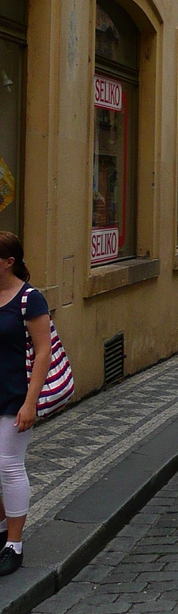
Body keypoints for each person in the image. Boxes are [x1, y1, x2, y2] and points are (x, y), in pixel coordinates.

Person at [0, 231, 53, 577]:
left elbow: (44, 350)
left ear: (9, 262)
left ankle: (14, 545)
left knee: (9, 466)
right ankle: (1, 529)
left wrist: (30, 403)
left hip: (15, 396)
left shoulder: (30, 300)